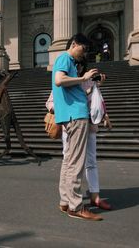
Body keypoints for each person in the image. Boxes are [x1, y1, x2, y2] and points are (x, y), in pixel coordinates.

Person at [46, 59, 112, 211]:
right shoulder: (65, 81)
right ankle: (69, 197)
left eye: (81, 65)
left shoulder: (89, 82)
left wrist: (105, 115)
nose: (78, 67)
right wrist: (63, 108)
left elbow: (98, 101)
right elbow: (50, 103)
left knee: (91, 161)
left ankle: (95, 196)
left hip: (89, 126)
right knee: (69, 160)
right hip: (70, 125)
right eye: (76, 65)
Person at [52, 33, 101, 221]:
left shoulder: (69, 62)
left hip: (70, 114)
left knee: (69, 160)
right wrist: (83, 78)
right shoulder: (65, 58)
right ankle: (76, 206)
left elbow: (66, 84)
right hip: (76, 115)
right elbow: (59, 80)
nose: (84, 53)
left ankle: (66, 201)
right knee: (76, 162)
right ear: (74, 44)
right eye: (84, 48)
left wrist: (87, 83)